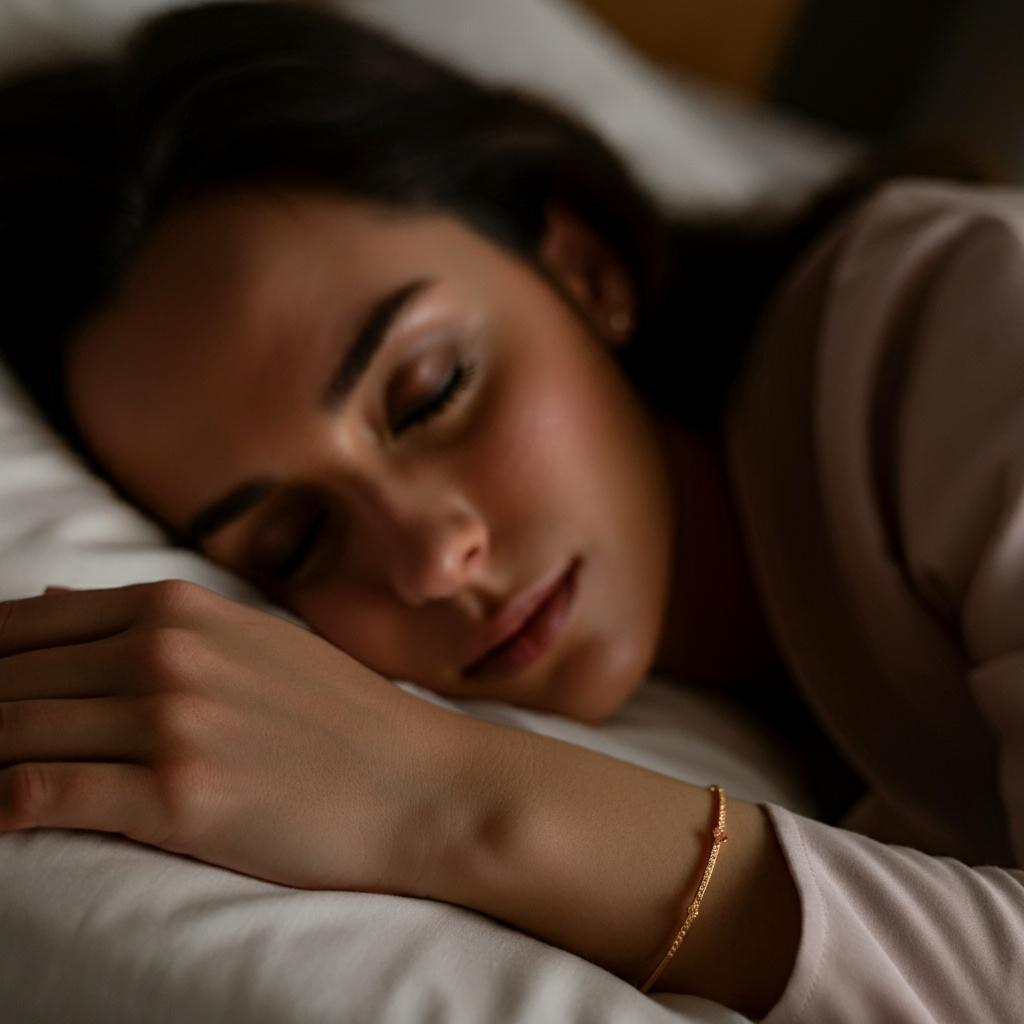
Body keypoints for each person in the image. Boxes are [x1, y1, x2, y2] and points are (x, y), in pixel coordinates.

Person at [0, 3, 1021, 1020]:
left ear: (585, 267)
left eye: (431, 391)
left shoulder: (957, 316)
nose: (436, 559)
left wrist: (438, 795)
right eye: (299, 539)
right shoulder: (740, 700)